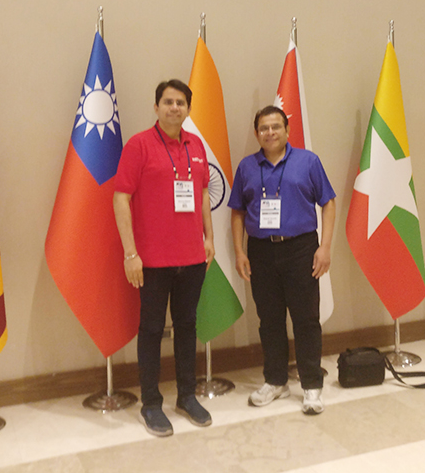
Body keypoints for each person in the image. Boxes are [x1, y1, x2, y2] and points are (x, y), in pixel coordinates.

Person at [113, 79, 214, 437]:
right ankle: (151, 403)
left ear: (188, 108)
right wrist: (130, 253)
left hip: (192, 257)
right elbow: (121, 198)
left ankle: (187, 396)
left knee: (187, 326)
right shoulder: (139, 145)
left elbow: (203, 193)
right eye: (168, 102)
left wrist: (209, 237)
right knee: (152, 330)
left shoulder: (196, 145)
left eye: (180, 102)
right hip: (152, 261)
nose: (174, 108)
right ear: (156, 107)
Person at [228, 105, 336, 415]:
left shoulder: (308, 162)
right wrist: (239, 252)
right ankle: (275, 381)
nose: (270, 132)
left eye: (276, 126)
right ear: (256, 133)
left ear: (287, 131)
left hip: (301, 249)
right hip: (261, 251)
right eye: (264, 128)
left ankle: (311, 385)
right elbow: (237, 212)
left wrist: (325, 247)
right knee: (270, 320)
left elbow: (328, 203)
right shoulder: (247, 167)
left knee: (306, 320)